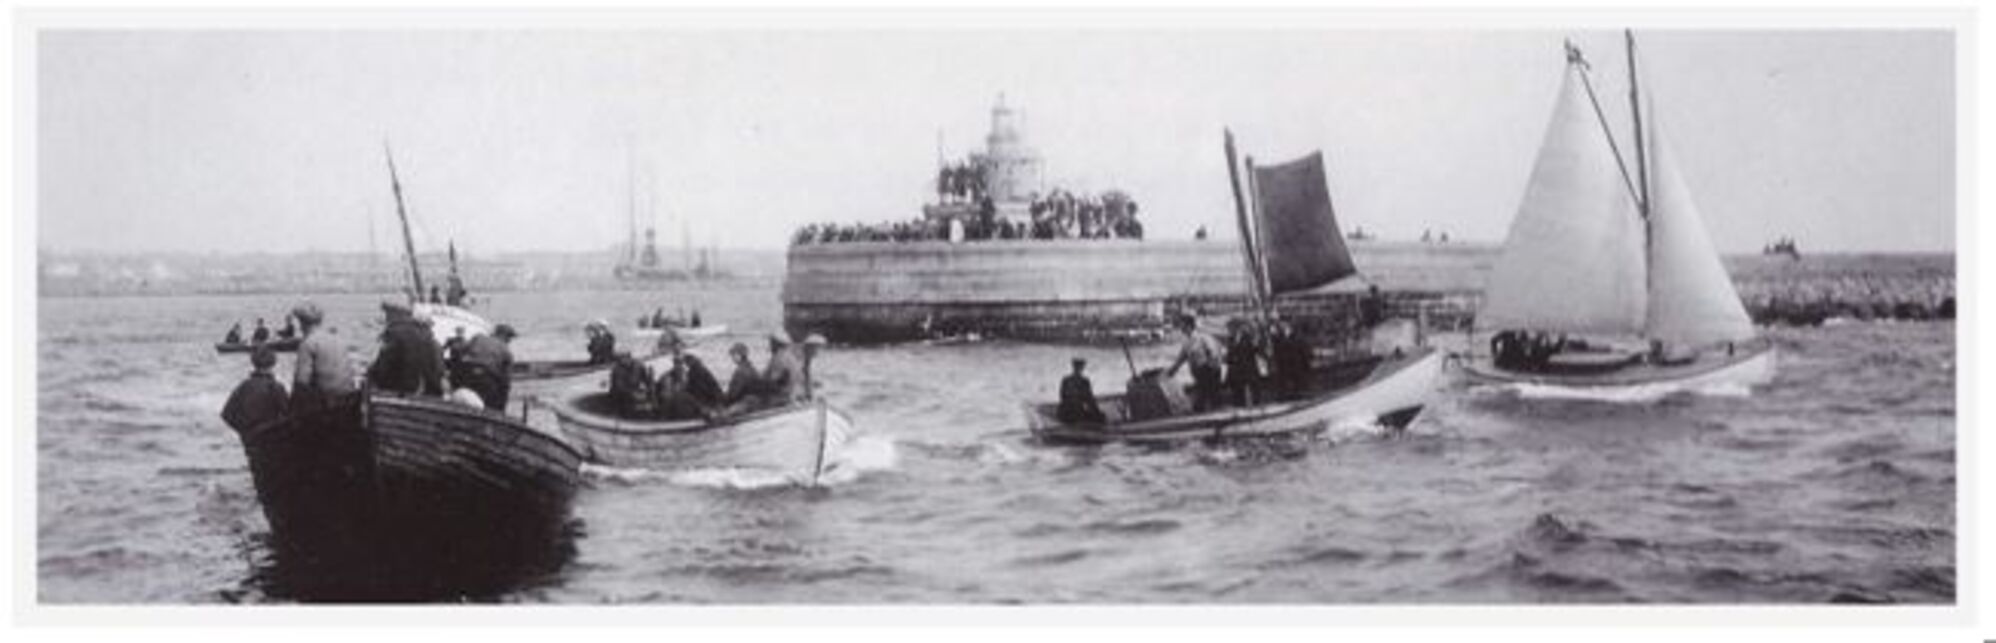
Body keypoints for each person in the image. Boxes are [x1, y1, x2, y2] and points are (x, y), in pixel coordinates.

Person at [366, 299, 445, 397]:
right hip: (426, 393)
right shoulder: (433, 342)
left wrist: (371, 375)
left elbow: (383, 367)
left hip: (397, 391)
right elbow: (438, 371)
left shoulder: (395, 334)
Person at [289, 301, 356, 412]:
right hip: (348, 402)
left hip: (325, 407)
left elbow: (301, 384)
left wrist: (289, 410)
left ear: (302, 323)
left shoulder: (308, 343)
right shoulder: (338, 339)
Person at [221, 345, 289, 435]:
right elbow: (288, 416)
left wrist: (243, 431)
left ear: (253, 362)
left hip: (250, 438)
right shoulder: (276, 387)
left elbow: (227, 414)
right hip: (271, 437)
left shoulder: (244, 386)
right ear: (273, 363)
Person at [1164, 314, 1225, 412]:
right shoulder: (1187, 342)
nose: (1180, 328)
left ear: (1189, 325)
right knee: (1201, 400)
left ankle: (1216, 414)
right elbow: (1181, 359)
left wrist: (1211, 368)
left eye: (1182, 325)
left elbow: (1215, 354)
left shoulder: (1203, 338)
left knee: (1211, 399)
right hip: (1199, 374)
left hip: (1209, 373)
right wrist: (1170, 372)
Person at [456, 324, 516, 412]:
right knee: (492, 403)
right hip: (486, 378)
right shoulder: (506, 351)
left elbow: (459, 350)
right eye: (509, 338)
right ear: (504, 336)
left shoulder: (478, 337)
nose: (509, 341)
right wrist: (501, 408)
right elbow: (506, 382)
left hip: (466, 373)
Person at [1223, 318, 1263, 407]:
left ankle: (1257, 403)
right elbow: (1230, 353)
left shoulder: (1247, 338)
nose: (1229, 331)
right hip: (1236, 368)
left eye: (1231, 328)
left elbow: (1254, 350)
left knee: (1253, 385)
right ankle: (1239, 404)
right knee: (1237, 387)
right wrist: (1228, 358)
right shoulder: (1230, 339)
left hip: (1248, 366)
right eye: (1229, 329)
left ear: (1237, 328)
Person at [1057, 358, 1107, 424]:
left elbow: (1089, 398)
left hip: (1076, 409)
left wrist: (1095, 410)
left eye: (1080, 368)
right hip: (1069, 410)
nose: (1079, 370)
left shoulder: (1084, 381)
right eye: (1078, 367)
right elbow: (1063, 396)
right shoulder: (1067, 380)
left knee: (1099, 416)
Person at [760, 333, 805, 406]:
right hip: (791, 392)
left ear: (777, 343)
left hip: (782, 396)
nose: (770, 345)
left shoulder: (779, 357)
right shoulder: (791, 356)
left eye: (772, 342)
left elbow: (773, 379)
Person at [607, 352, 653, 417]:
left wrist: (649, 383)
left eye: (625, 357)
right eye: (621, 358)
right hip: (620, 395)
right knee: (626, 403)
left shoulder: (639, 366)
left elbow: (645, 379)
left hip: (634, 390)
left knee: (648, 402)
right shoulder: (617, 370)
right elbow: (619, 387)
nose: (623, 360)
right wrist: (633, 393)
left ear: (629, 357)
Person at [723, 342, 762, 406]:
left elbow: (734, 394)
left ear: (739, 355)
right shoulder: (751, 368)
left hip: (745, 403)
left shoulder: (740, 371)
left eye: (733, 354)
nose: (732, 357)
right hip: (754, 401)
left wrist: (724, 399)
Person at [799, 333, 828, 401]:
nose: (818, 351)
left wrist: (813, 383)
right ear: (810, 347)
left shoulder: (807, 358)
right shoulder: (800, 358)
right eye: (818, 348)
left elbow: (806, 375)